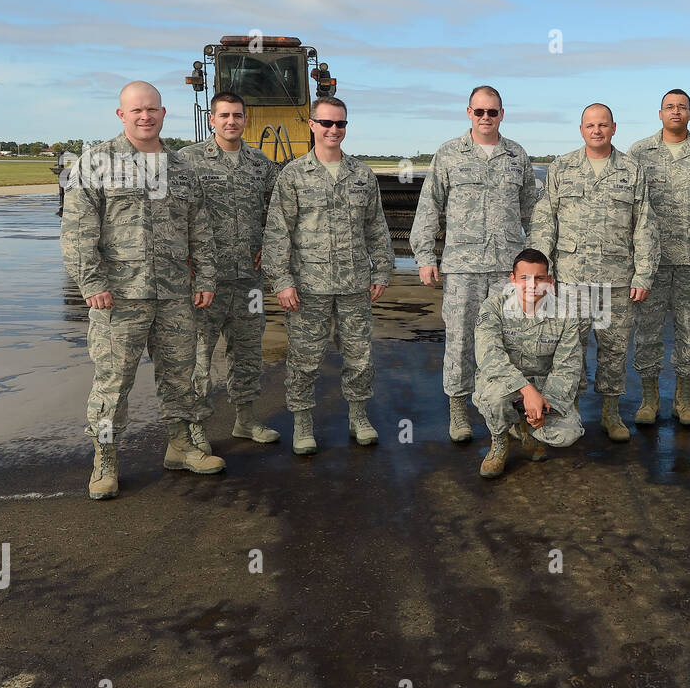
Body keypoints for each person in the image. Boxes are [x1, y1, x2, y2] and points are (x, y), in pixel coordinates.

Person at [60, 80, 225, 499]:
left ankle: (181, 445)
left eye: (152, 109)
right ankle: (105, 458)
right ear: (121, 115)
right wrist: (91, 282)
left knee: (179, 377)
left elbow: (200, 229)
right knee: (113, 383)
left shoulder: (184, 169)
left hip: (174, 295)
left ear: (164, 113)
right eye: (136, 111)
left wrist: (205, 277)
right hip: (119, 296)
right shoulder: (95, 163)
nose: (145, 116)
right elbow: (78, 231)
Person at [261, 97, 394, 454]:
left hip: (354, 285)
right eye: (327, 123)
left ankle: (359, 417)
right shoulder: (293, 174)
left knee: (360, 355)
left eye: (340, 124)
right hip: (308, 287)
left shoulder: (362, 175)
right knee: (304, 358)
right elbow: (278, 232)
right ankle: (303, 425)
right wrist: (282, 280)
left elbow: (376, 229)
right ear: (312, 124)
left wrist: (381, 269)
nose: (334, 130)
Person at [411, 85, 539, 442]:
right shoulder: (450, 154)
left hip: (507, 269)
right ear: (469, 112)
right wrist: (425, 257)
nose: (486, 118)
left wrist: (537, 262)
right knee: (460, 339)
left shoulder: (517, 156)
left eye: (493, 112)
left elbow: (533, 210)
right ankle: (458, 410)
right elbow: (429, 207)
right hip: (462, 268)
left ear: (502, 114)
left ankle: (511, 411)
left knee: (510, 340)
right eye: (479, 112)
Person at [527, 103, 659, 441]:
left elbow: (644, 225)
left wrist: (643, 274)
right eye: (590, 125)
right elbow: (545, 222)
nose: (596, 130)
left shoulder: (631, 170)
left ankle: (611, 413)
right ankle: (567, 409)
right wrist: (543, 274)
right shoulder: (562, 167)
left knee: (615, 350)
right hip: (569, 280)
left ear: (613, 128)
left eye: (603, 125)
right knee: (569, 351)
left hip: (616, 281)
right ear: (582, 129)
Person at [180, 91, 281, 452]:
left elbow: (281, 210)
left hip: (249, 283)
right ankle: (195, 428)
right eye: (224, 115)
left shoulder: (260, 163)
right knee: (198, 358)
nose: (231, 122)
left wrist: (268, 247)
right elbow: (173, 215)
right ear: (212, 119)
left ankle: (246, 419)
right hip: (205, 281)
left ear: (245, 119)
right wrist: (186, 257)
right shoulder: (187, 161)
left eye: (237, 115)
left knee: (249, 351)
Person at [627, 89, 690, 427]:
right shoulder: (639, 153)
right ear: (660, 113)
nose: (676, 112)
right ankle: (649, 399)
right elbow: (632, 208)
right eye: (670, 107)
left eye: (682, 107)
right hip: (650, 263)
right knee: (648, 333)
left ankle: (684, 400)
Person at [472, 248, 585, 478]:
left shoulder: (566, 314)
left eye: (539, 278)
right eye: (524, 278)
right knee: (492, 398)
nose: (532, 285)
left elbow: (568, 367)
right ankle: (500, 441)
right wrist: (526, 390)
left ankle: (528, 431)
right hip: (505, 382)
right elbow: (489, 356)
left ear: (550, 281)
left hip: (545, 387)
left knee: (568, 434)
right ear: (512, 280)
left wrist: (545, 406)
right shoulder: (493, 307)